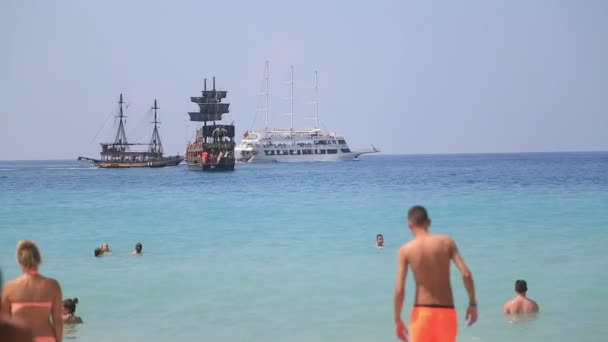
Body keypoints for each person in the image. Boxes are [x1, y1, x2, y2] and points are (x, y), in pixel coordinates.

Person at [394, 206, 478, 342]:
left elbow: (399, 290)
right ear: (429, 222)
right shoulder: (446, 242)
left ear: (409, 224)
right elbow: (466, 274)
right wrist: (472, 303)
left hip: (421, 313)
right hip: (446, 313)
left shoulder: (406, 250)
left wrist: (397, 319)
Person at [1, 240, 63, 342]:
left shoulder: (9, 288)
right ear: (39, 259)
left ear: (19, 261)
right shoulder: (53, 286)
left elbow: (5, 325)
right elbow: (58, 322)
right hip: (46, 337)